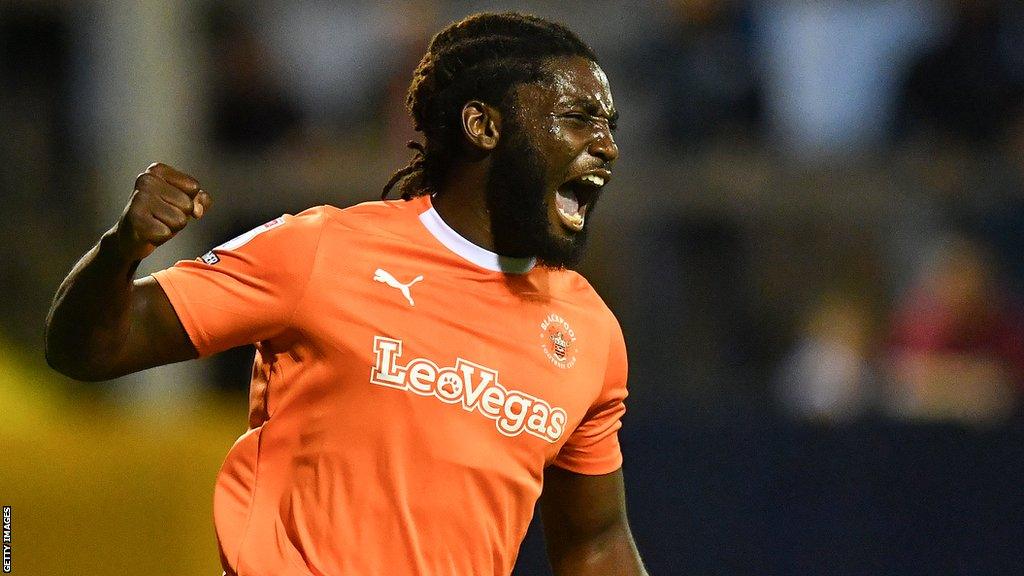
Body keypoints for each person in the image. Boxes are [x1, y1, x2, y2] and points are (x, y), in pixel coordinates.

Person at [45, 12, 646, 576]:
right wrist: (120, 249)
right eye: (579, 118)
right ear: (483, 126)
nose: (608, 146)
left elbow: (596, 543)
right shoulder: (321, 252)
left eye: (610, 127)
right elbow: (88, 350)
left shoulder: (588, 331)